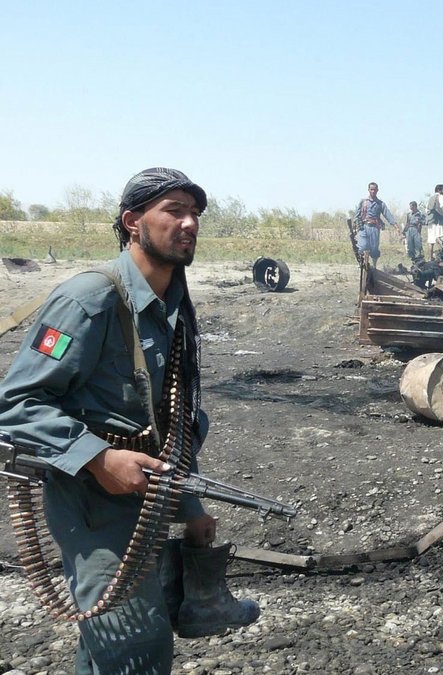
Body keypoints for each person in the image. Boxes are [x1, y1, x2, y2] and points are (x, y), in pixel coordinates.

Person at [0, 168, 258, 674]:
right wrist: (98, 458)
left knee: (112, 650)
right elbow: (16, 403)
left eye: (195, 214)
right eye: (174, 210)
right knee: (136, 646)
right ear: (133, 222)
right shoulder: (91, 299)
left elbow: (173, 418)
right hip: (92, 504)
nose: (189, 223)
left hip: (149, 498)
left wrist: (190, 503)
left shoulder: (172, 304)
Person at [354, 181, 396, 267]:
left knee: (374, 249)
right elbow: (357, 216)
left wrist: (396, 226)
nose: (373, 191)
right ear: (368, 190)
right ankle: (362, 264)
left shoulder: (380, 204)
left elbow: (388, 215)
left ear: (377, 190)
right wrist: (355, 229)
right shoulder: (363, 202)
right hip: (363, 227)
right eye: (371, 189)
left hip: (374, 228)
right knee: (362, 246)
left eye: (375, 190)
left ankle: (374, 266)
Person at [426, 183, 443, 251]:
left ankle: (431, 258)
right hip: (439, 221)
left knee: (431, 240)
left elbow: (427, 210)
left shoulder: (430, 198)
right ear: (439, 190)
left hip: (430, 221)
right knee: (441, 237)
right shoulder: (440, 197)